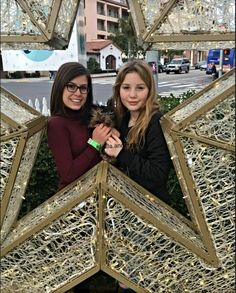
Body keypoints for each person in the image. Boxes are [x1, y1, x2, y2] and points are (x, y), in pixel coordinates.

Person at [104, 59, 171, 293]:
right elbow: (97, 147)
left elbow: (157, 174)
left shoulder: (155, 122)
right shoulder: (120, 119)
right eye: (126, 88)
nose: (132, 95)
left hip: (147, 214)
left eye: (140, 88)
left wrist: (122, 153)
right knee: (122, 274)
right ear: (118, 89)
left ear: (149, 90)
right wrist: (99, 142)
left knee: (137, 280)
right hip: (123, 211)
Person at [47, 62, 112, 191]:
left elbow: (118, 114)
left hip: (99, 191)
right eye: (71, 86)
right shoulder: (56, 124)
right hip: (76, 200)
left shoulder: (90, 113)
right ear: (60, 87)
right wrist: (95, 144)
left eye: (83, 88)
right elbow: (68, 175)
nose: (78, 93)